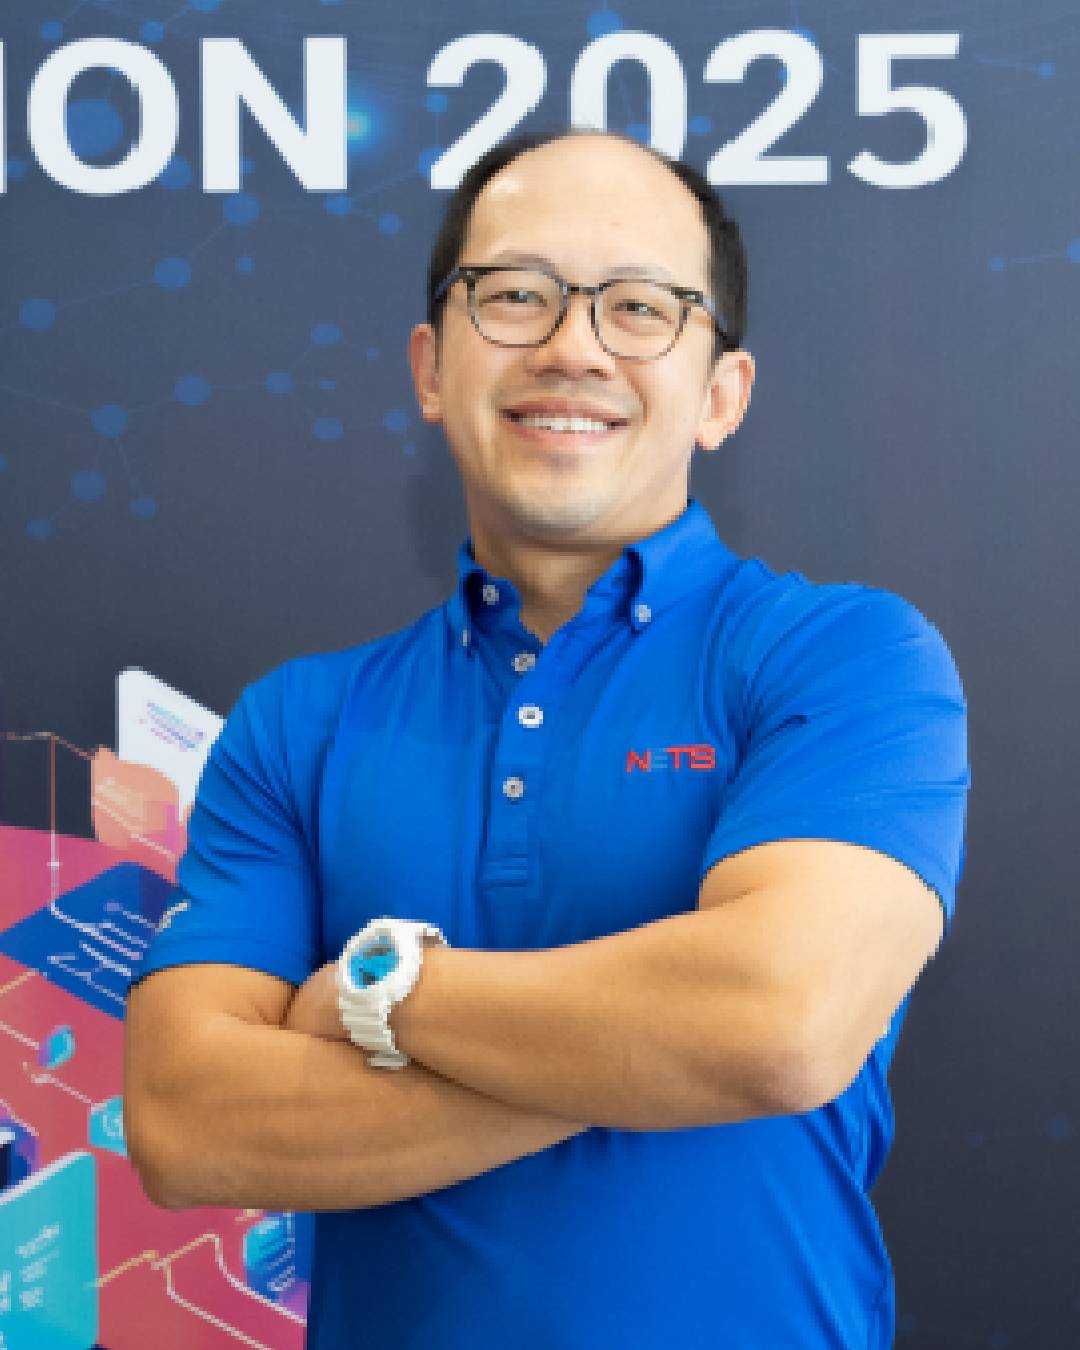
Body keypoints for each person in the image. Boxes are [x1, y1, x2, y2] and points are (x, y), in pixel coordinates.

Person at [124, 127, 970, 1349]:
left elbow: (779, 1022)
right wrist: (661, 1049)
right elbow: (187, 1122)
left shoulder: (844, 657)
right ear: (431, 367)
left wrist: (376, 989)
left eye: (641, 308)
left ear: (721, 394)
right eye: (516, 295)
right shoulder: (297, 723)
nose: (574, 346)